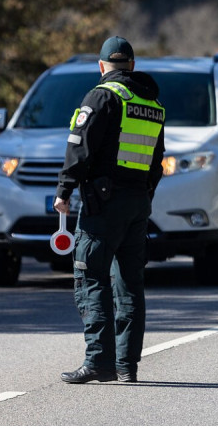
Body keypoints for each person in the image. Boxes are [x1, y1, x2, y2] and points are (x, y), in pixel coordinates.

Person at [55, 36, 165, 384]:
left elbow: (80, 147)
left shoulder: (101, 96)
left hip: (104, 204)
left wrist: (64, 190)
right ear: (132, 65)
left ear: (102, 66)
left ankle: (98, 362)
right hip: (137, 203)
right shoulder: (151, 104)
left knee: (91, 278)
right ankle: (126, 366)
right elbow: (157, 162)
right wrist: (144, 195)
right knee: (130, 285)